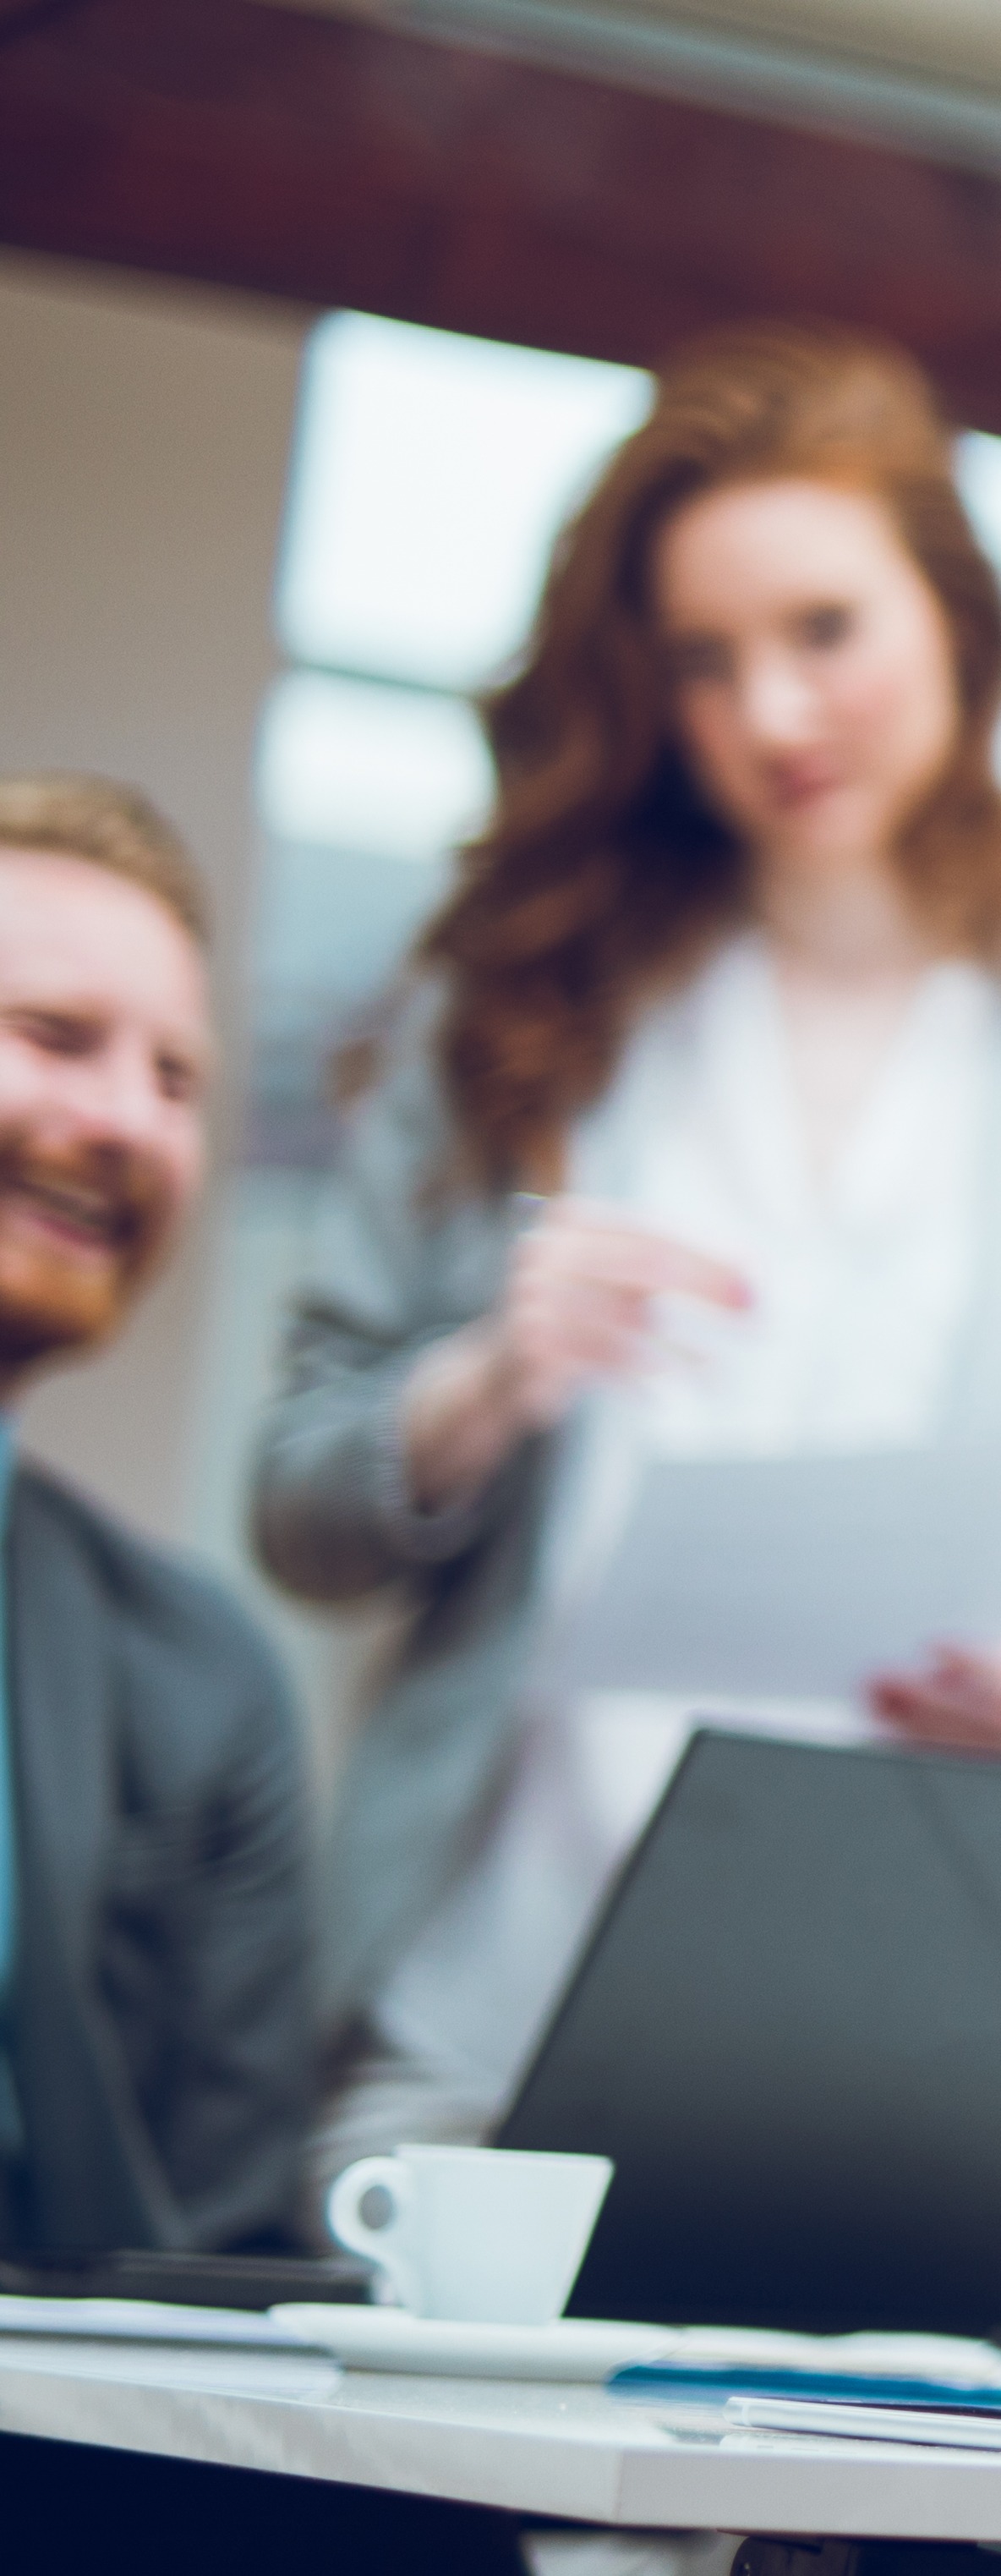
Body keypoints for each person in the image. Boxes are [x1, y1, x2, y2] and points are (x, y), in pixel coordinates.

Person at [255, 322, 1001, 2175]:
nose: (774, 715)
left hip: (876, 2025)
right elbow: (297, 1503)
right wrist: (485, 1381)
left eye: (825, 631)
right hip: (478, 2000)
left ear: (958, 621)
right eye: (706, 662)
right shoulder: (519, 1018)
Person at [0, 774, 321, 2259]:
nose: (124, 1117)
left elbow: (226, 2248)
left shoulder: (195, 1675)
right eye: (56, 1038)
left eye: (179, 1078)